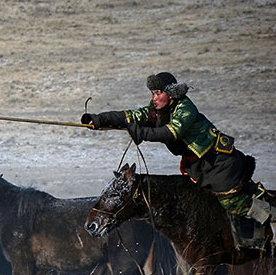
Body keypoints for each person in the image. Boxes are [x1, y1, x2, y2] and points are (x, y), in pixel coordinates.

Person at [81, 72, 274, 238]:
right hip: (200, 167)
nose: (154, 98)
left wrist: (141, 133)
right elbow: (128, 116)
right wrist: (98, 120)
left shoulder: (186, 109)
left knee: (233, 203)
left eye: (158, 93)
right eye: (152, 93)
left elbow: (172, 132)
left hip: (219, 163)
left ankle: (271, 216)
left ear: (171, 94)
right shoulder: (156, 110)